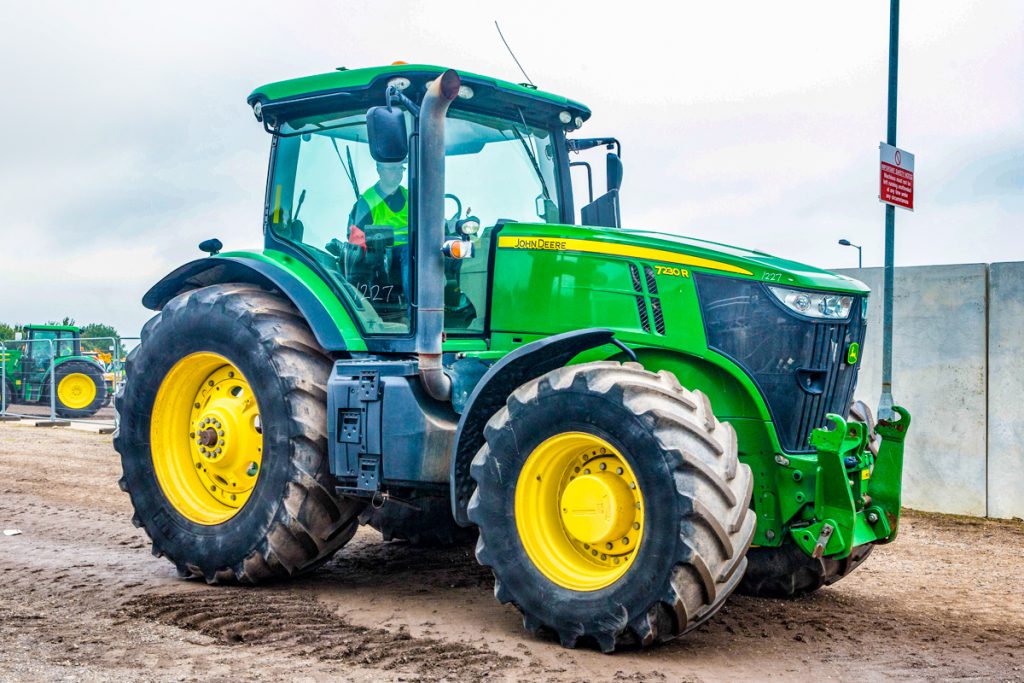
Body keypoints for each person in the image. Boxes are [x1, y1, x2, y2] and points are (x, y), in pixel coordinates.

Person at [347, 161, 410, 303]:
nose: (398, 172)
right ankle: (415, 310)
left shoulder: (410, 197)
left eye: (401, 168)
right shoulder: (367, 201)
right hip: (383, 258)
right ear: (379, 170)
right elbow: (356, 241)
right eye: (393, 168)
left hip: (414, 255)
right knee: (409, 251)